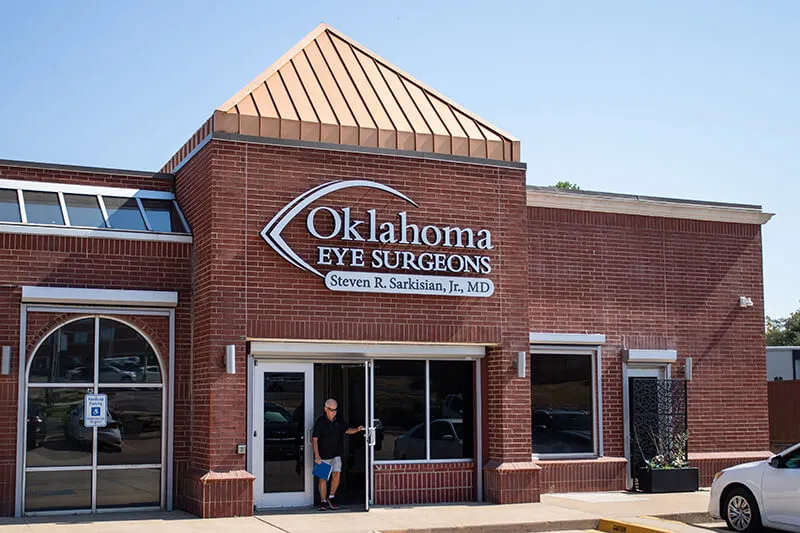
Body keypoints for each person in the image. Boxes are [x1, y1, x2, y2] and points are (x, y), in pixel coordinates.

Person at [312, 398, 364, 511]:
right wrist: (317, 455)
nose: (334, 412)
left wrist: (356, 430)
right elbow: (314, 439)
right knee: (323, 478)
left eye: (335, 410)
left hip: (336, 454)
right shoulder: (320, 421)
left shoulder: (339, 420)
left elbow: (346, 430)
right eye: (331, 410)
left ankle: (331, 497)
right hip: (323, 455)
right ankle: (323, 501)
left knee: (337, 475)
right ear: (325, 409)